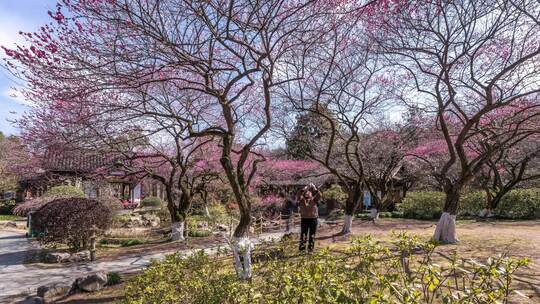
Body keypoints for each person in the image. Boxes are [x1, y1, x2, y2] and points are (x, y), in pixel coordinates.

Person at [299, 183, 321, 252]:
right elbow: (299, 194)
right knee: (303, 235)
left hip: (313, 220)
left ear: (311, 194)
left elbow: (319, 195)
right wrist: (305, 188)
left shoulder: (314, 200)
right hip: (304, 219)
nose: (308, 194)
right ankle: (302, 250)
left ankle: (310, 249)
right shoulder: (302, 200)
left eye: (309, 193)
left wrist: (315, 188)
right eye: (307, 193)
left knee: (312, 235)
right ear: (305, 194)